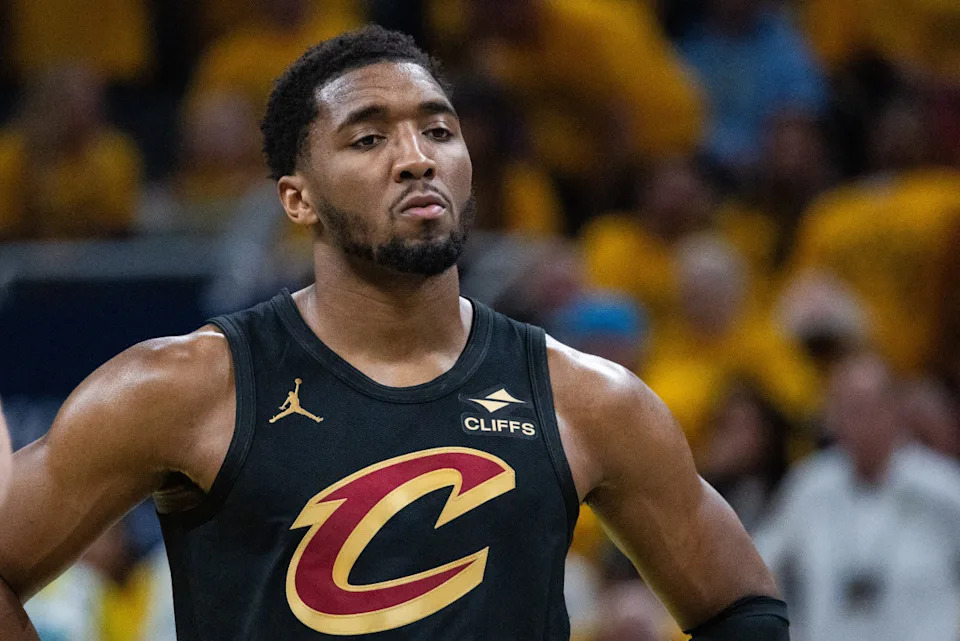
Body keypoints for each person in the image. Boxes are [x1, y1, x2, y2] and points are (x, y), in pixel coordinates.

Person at [0, 27, 787, 640]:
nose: (416, 159)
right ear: (298, 199)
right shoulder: (186, 386)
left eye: (438, 130)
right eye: (368, 137)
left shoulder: (586, 397)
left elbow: (742, 606)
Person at [756, 353, 960, 641]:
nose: (862, 423)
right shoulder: (809, 486)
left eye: (871, 408)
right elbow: (760, 563)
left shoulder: (942, 487)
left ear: (895, 410)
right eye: (850, 410)